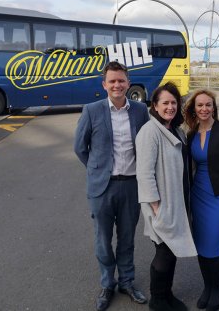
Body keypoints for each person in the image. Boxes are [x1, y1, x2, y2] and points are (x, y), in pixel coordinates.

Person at [74, 61, 150, 311]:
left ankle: (127, 282)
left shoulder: (140, 110)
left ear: (128, 83)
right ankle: (108, 283)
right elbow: (80, 148)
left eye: (121, 80)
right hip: (102, 188)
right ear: (104, 84)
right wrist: (98, 170)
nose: (117, 85)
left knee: (127, 238)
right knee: (103, 240)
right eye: (112, 81)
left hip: (131, 185)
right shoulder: (92, 110)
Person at [135, 82, 197, 311]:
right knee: (164, 251)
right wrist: (156, 206)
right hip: (161, 205)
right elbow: (144, 172)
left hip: (177, 201)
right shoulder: (149, 132)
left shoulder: (176, 130)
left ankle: (166, 293)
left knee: (171, 252)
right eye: (165, 103)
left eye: (174, 102)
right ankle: (157, 300)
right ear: (155, 106)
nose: (170, 107)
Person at [183, 89, 219, 311]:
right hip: (198, 195)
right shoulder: (191, 134)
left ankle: (217, 288)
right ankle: (207, 287)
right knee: (201, 246)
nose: (204, 109)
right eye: (200, 105)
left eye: (208, 105)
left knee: (212, 247)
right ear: (194, 109)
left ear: (214, 107)